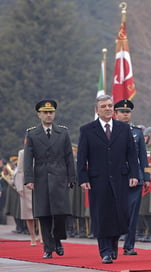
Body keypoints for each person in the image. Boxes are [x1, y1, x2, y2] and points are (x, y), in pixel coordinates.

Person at [77, 95, 139, 264]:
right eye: (103, 106)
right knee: (102, 215)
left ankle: (112, 245)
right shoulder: (87, 130)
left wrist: (134, 174)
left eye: (110, 105)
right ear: (96, 110)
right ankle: (104, 250)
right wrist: (82, 177)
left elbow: (132, 154)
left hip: (120, 178)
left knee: (119, 214)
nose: (107, 108)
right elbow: (82, 157)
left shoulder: (123, 129)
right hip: (98, 179)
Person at [24, 99, 76, 259]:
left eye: (51, 112)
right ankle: (48, 247)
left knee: (60, 213)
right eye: (45, 112)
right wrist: (29, 179)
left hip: (60, 176)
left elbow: (69, 156)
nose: (48, 115)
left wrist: (71, 177)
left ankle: (58, 238)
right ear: (39, 114)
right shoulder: (32, 133)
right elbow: (28, 158)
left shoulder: (63, 132)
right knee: (44, 214)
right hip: (41, 177)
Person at [114, 99, 151, 255]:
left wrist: (147, 177)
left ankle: (129, 245)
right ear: (116, 114)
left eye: (128, 112)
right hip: (117, 178)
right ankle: (113, 244)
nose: (125, 115)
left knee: (133, 212)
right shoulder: (111, 131)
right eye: (122, 112)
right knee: (116, 212)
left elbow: (143, 156)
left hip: (136, 177)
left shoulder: (137, 132)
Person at [14, 148, 42, 246]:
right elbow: (20, 170)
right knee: (28, 214)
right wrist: (19, 186)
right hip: (27, 186)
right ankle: (32, 237)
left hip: (40, 184)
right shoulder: (22, 153)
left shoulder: (41, 149)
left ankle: (42, 236)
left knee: (42, 212)